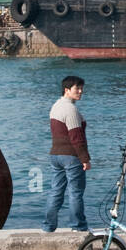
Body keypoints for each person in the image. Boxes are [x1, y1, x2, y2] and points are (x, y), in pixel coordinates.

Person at [42, 75, 91, 232]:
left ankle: (48, 226)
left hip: (55, 155)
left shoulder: (56, 106)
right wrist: (85, 159)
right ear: (67, 90)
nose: (81, 91)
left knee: (56, 191)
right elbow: (76, 138)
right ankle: (78, 227)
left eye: (81, 88)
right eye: (77, 88)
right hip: (71, 156)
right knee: (75, 193)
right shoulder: (71, 109)